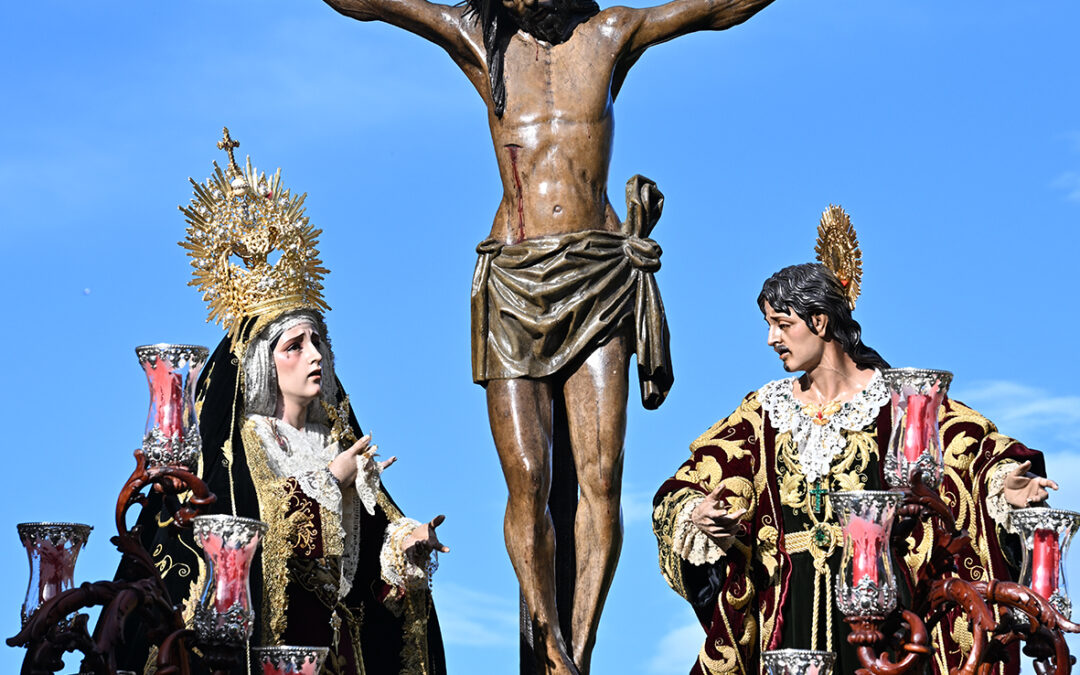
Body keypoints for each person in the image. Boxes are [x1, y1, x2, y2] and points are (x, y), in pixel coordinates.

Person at [316, 0, 778, 669]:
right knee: (528, 477)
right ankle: (549, 641)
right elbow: (379, 6)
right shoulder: (485, 44)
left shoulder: (610, 35)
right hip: (515, 281)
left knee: (601, 476)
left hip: (596, 274)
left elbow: (715, 10)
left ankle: (578, 649)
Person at [651, 211, 1058, 675]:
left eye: (782, 324)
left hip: (887, 615)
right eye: (769, 325)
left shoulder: (902, 403)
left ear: (820, 321)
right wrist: (696, 514)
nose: (771, 339)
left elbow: (970, 451)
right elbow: (688, 481)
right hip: (789, 621)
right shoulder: (764, 411)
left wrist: (1003, 487)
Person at [121, 131, 448, 675]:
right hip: (274, 639)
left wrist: (403, 544)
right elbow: (235, 532)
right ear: (263, 365)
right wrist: (327, 483)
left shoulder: (337, 439)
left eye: (317, 342)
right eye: (295, 346)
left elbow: (365, 567)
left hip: (341, 650)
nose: (314, 355)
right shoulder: (242, 442)